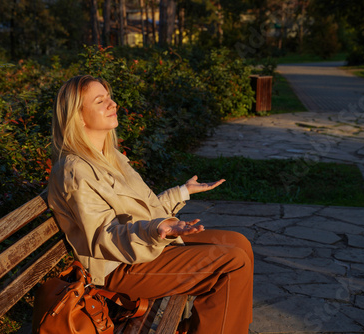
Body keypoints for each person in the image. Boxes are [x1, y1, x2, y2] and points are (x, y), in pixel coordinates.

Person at [48, 75, 253, 333]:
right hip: (120, 267)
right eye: (100, 101)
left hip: (145, 248)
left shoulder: (111, 158)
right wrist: (155, 230)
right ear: (77, 117)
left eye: (109, 97)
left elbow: (142, 208)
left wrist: (181, 193)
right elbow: (103, 236)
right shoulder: (74, 171)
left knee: (238, 243)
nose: (112, 104)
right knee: (232, 262)